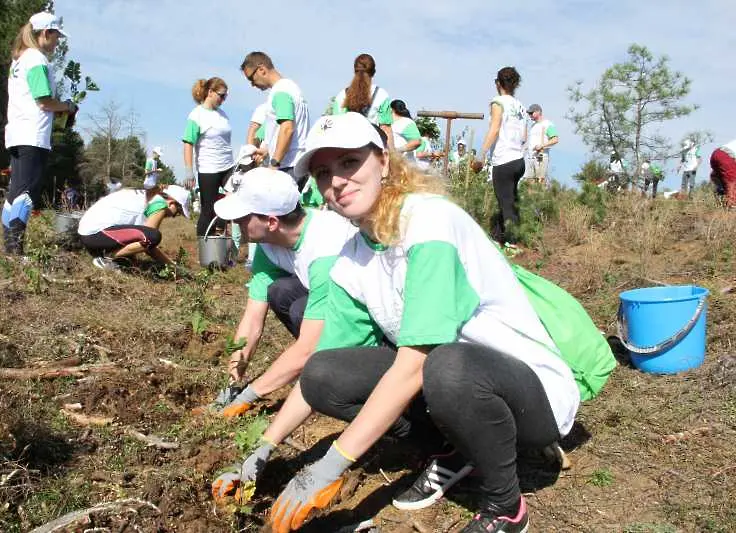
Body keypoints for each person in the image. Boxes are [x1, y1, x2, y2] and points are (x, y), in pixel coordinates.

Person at [211, 113, 615, 533]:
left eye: (350, 162)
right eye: (323, 172)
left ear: (383, 161)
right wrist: (259, 451)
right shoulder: (353, 258)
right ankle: (456, 451)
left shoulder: (428, 222)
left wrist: (332, 464)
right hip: (451, 385)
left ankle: (505, 507)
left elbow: (415, 363)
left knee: (447, 364)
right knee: (323, 374)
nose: (338, 181)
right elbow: (320, 359)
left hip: (528, 397)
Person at [209, 167, 356, 417]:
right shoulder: (269, 244)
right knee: (280, 290)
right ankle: (313, 364)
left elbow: (308, 345)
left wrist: (249, 395)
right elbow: (252, 319)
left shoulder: (325, 247)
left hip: (368, 326)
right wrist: (233, 380)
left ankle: (339, 372)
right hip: (326, 297)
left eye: (243, 218)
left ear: (272, 222)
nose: (236, 224)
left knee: (301, 311)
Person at [1, 12, 77, 256]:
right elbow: (43, 101)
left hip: (16, 132)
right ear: (45, 33)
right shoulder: (36, 60)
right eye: (56, 37)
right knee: (25, 192)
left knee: (14, 192)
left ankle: (9, 246)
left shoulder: (20, 59)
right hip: (32, 135)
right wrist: (67, 106)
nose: (57, 42)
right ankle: (15, 249)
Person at [77, 184, 190, 270]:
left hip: (89, 234)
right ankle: (106, 258)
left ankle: (111, 256)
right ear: (171, 202)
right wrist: (174, 267)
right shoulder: (159, 203)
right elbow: (149, 243)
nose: (175, 216)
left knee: (133, 256)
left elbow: (133, 234)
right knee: (153, 236)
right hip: (95, 234)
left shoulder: (148, 195)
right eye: (179, 211)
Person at [240, 52, 309, 183]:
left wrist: (274, 163)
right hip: (295, 163)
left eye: (251, 78)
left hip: (287, 166)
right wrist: (267, 150)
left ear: (261, 69)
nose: (252, 84)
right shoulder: (291, 87)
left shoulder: (280, 91)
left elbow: (287, 128)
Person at [477, 67, 528, 246]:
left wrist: (481, 153)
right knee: (510, 200)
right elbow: (524, 137)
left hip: (504, 159)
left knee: (506, 202)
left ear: (498, 83)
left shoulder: (498, 102)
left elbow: (495, 128)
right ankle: (500, 236)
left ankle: (512, 244)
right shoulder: (520, 106)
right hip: (519, 160)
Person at [182, 77, 234, 240]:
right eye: (221, 95)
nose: (224, 99)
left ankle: (223, 241)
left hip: (228, 166)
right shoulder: (196, 115)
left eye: (226, 96)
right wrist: (189, 171)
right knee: (208, 210)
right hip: (209, 169)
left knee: (233, 201)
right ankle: (206, 251)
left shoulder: (223, 114)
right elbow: (188, 143)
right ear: (210, 92)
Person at [329, 53, 393, 143]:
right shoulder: (381, 95)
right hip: (371, 147)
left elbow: (335, 125)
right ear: (374, 72)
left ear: (355, 71)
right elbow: (386, 129)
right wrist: (392, 154)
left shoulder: (341, 95)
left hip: (345, 146)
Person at [525, 104, 559, 185]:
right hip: (530, 157)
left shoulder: (547, 124)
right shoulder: (533, 126)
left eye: (531, 113)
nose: (529, 115)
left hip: (540, 156)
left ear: (538, 112)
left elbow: (555, 139)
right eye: (529, 113)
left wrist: (542, 145)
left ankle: (541, 197)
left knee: (540, 182)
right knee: (529, 182)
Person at [710, 139, 736, 207]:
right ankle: (731, 207)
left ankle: (720, 199)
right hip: (728, 157)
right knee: (732, 183)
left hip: (716, 153)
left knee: (722, 180)